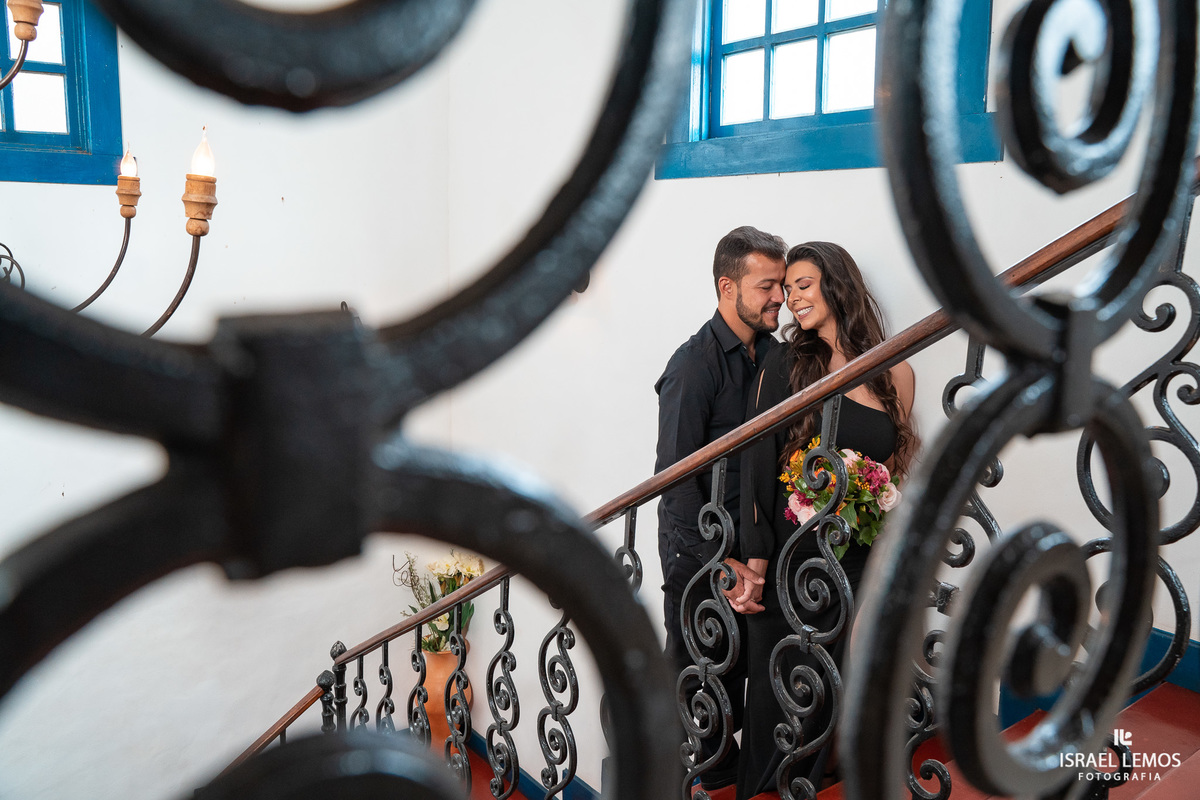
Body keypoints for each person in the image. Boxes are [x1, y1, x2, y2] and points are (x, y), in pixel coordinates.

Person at [736, 241, 917, 799]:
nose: (791, 299)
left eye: (803, 285)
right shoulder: (786, 361)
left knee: (841, 693)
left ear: (837, 286)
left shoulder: (897, 373)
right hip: (796, 558)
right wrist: (756, 555)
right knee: (781, 698)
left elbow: (892, 472)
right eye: (786, 290)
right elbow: (756, 460)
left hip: (859, 559)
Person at [655, 225, 787, 794]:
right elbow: (675, 484)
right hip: (701, 561)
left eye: (783, 285)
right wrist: (723, 564)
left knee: (750, 686)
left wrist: (756, 560)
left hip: (759, 557)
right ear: (726, 286)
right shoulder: (693, 366)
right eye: (766, 287)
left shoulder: (778, 357)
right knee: (699, 694)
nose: (779, 298)